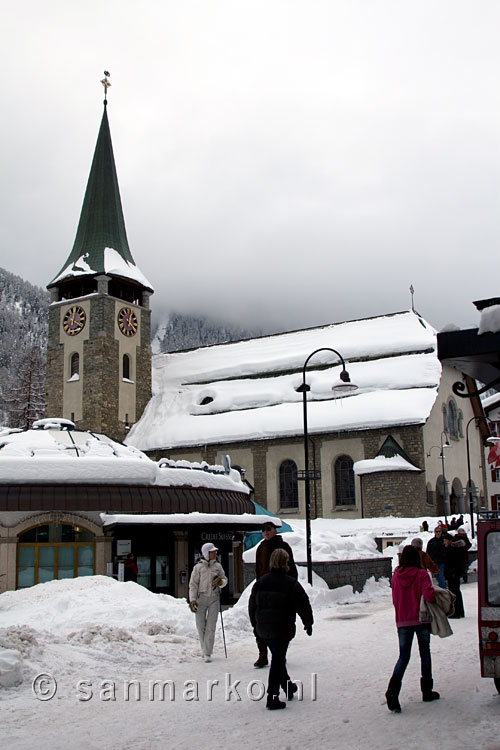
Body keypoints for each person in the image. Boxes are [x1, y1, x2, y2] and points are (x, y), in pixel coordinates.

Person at [249, 548, 313, 710]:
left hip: (264, 629)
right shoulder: (290, 583)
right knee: (277, 660)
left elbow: (252, 606)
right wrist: (308, 623)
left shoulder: (261, 582)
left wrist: (255, 626)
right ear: (285, 563)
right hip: (282, 628)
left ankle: (288, 686)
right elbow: (303, 604)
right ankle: (272, 697)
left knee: (278, 657)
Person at [385, 545, 439, 713]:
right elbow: (429, 596)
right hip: (421, 619)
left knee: (403, 656)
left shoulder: (395, 577)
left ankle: (392, 692)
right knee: (425, 653)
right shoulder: (421, 574)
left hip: (402, 621)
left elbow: (395, 600)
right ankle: (426, 690)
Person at [253, 521, 298, 668]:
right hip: (264, 589)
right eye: (263, 530)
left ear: (274, 531)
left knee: (278, 624)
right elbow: (258, 569)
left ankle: (278, 655)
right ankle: (263, 654)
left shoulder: (283, 547)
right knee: (260, 623)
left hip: (279, 589)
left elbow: (291, 568)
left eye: (268, 529)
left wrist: (289, 585)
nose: (265, 532)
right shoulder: (260, 547)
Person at [188, 543, 228, 662]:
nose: (215, 553)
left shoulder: (218, 566)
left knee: (211, 626)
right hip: (201, 598)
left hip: (214, 598)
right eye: (212, 552)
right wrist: (192, 599)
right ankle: (204, 649)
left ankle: (207, 652)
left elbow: (224, 579)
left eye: (215, 551)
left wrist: (221, 581)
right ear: (206, 553)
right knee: (201, 625)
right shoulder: (198, 568)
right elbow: (193, 585)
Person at [443, 533, 465, 618]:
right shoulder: (453, 549)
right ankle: (459, 611)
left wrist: (451, 573)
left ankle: (456, 612)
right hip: (453, 574)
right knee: (456, 592)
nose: (444, 542)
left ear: (449, 541)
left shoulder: (452, 550)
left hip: (452, 575)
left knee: (454, 593)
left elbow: (453, 563)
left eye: (445, 541)